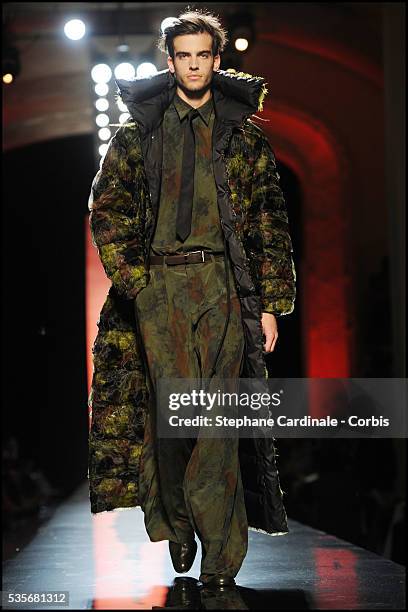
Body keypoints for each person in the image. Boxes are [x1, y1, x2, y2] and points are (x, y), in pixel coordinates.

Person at [87, 8, 296, 590]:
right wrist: (136, 284)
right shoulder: (137, 137)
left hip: (223, 288)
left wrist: (270, 303)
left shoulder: (244, 139)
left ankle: (222, 558)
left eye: (204, 54)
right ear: (171, 61)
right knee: (174, 422)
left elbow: (268, 223)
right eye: (184, 55)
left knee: (219, 422)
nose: (195, 64)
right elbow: (107, 213)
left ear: (217, 59)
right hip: (159, 290)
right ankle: (178, 523)